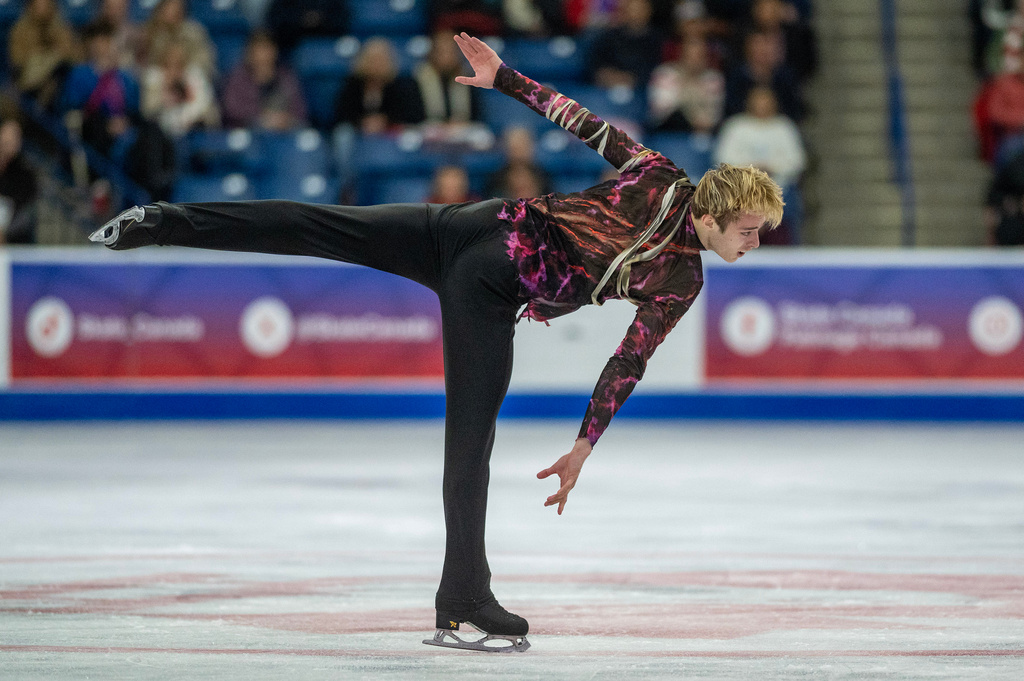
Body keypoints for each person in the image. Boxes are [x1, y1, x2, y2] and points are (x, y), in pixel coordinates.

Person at [88, 32, 784, 653]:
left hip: (470, 224)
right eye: (751, 229)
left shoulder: (669, 215)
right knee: (469, 446)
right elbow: (585, 129)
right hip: (488, 276)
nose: (754, 244)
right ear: (721, 212)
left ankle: (162, 221)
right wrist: (505, 80)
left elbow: (627, 346)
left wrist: (582, 442)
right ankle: (464, 597)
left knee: (318, 224)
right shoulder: (676, 252)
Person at [221, 30, 308, 131]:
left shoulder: (286, 77)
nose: (262, 56)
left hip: (286, 131)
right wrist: (263, 118)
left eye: (266, 49)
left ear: (274, 51)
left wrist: (285, 119)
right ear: (249, 53)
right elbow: (232, 111)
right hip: (250, 132)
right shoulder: (237, 78)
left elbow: (301, 111)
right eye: (258, 50)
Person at [7, 0, 80, 111]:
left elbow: (72, 56)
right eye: (38, 6)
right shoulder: (20, 30)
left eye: (46, 6)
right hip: (29, 83)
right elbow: (18, 61)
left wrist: (54, 53)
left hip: (59, 80)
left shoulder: (61, 29)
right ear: (30, 8)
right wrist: (41, 54)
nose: (42, 11)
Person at [0, 118, 40, 245]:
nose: (11, 141)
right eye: (7, 135)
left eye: (16, 137)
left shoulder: (25, 173)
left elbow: (24, 210)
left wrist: (4, 231)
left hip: (13, 238)